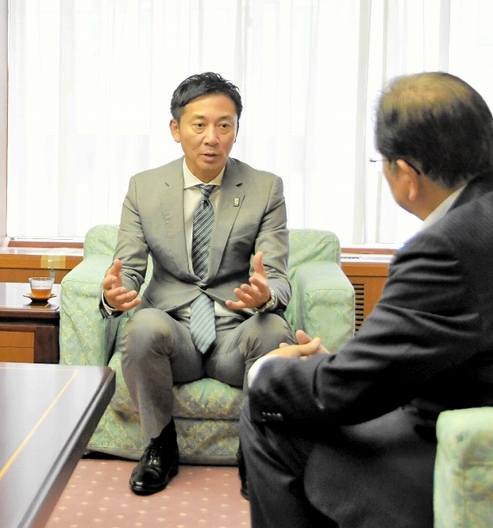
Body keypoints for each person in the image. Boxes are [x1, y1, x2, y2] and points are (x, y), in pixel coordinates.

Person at [240, 71, 493, 527]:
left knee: (269, 411)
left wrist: (265, 369)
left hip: (473, 472)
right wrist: (350, 364)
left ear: (405, 174)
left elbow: (341, 394)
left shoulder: (446, 247)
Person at [102, 72, 295, 496]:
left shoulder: (265, 189)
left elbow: (277, 277)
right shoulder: (145, 188)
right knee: (142, 325)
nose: (213, 138)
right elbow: (129, 268)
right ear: (176, 129)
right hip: (175, 341)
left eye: (224, 125)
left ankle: (256, 450)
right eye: (200, 124)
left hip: (235, 335)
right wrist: (113, 296)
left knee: (275, 330)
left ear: (236, 131)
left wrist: (266, 296)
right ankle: (159, 445)